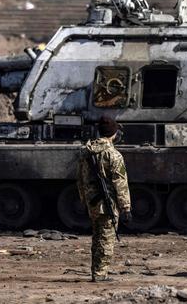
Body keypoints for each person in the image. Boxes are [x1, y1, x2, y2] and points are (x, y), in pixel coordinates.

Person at [77, 115, 132, 282]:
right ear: (113, 133)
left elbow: (79, 179)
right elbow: (120, 184)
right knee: (106, 238)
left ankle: (96, 270)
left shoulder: (86, 152)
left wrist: (83, 200)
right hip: (107, 204)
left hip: (92, 202)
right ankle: (100, 274)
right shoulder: (113, 155)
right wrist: (126, 207)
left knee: (97, 237)